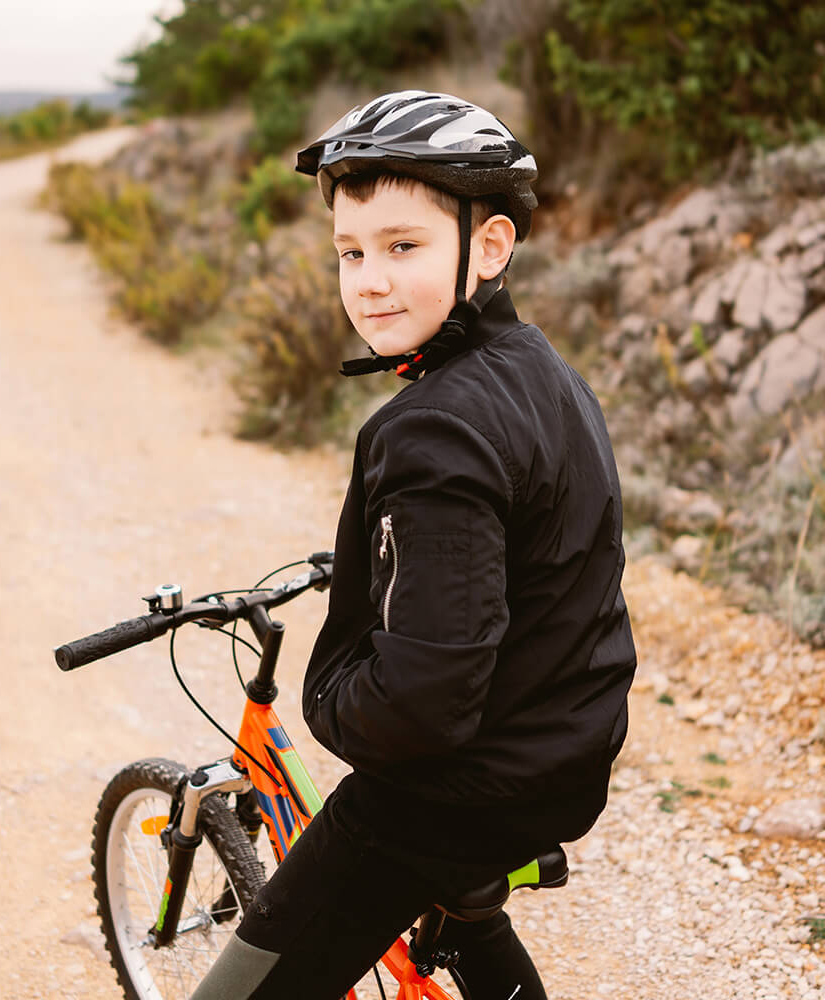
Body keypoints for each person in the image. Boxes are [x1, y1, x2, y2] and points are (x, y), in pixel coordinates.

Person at [191, 90, 636, 1000]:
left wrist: (329, 704)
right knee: (463, 910)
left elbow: (423, 705)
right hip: (565, 754)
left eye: (404, 246)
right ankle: (467, 921)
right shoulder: (541, 370)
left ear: (491, 246)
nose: (370, 280)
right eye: (350, 252)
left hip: (455, 793)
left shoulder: (433, 429)